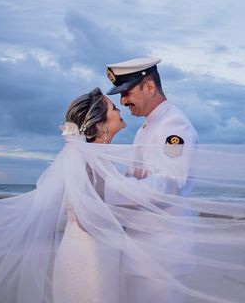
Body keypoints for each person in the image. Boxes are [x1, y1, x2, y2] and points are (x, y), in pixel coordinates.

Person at [105, 57, 198, 303]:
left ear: (149, 87)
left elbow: (169, 183)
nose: (122, 102)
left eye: (126, 93)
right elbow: (137, 176)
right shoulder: (147, 127)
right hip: (140, 248)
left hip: (161, 253)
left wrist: (111, 190)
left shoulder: (174, 127)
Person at [51, 88, 126, 303]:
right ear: (100, 125)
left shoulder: (93, 158)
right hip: (91, 257)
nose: (119, 108)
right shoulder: (93, 163)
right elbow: (88, 218)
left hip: (84, 250)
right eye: (113, 107)